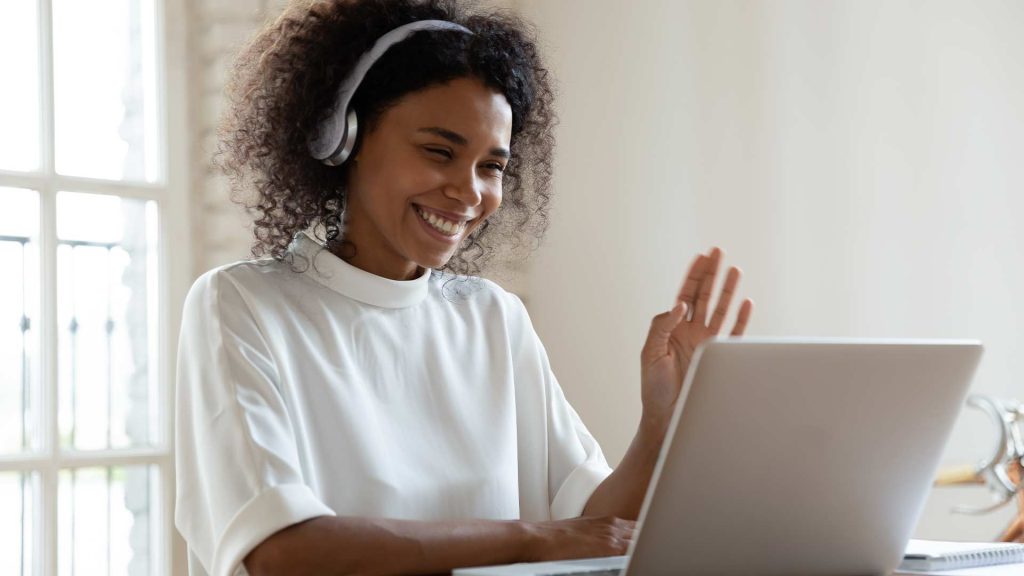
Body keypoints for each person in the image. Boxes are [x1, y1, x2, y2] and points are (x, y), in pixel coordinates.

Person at [174, 1, 754, 575]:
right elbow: (282, 553)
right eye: (439, 151)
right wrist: (532, 541)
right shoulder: (241, 306)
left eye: (491, 166)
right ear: (344, 140)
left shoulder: (491, 318)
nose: (470, 191)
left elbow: (597, 529)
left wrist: (663, 423)